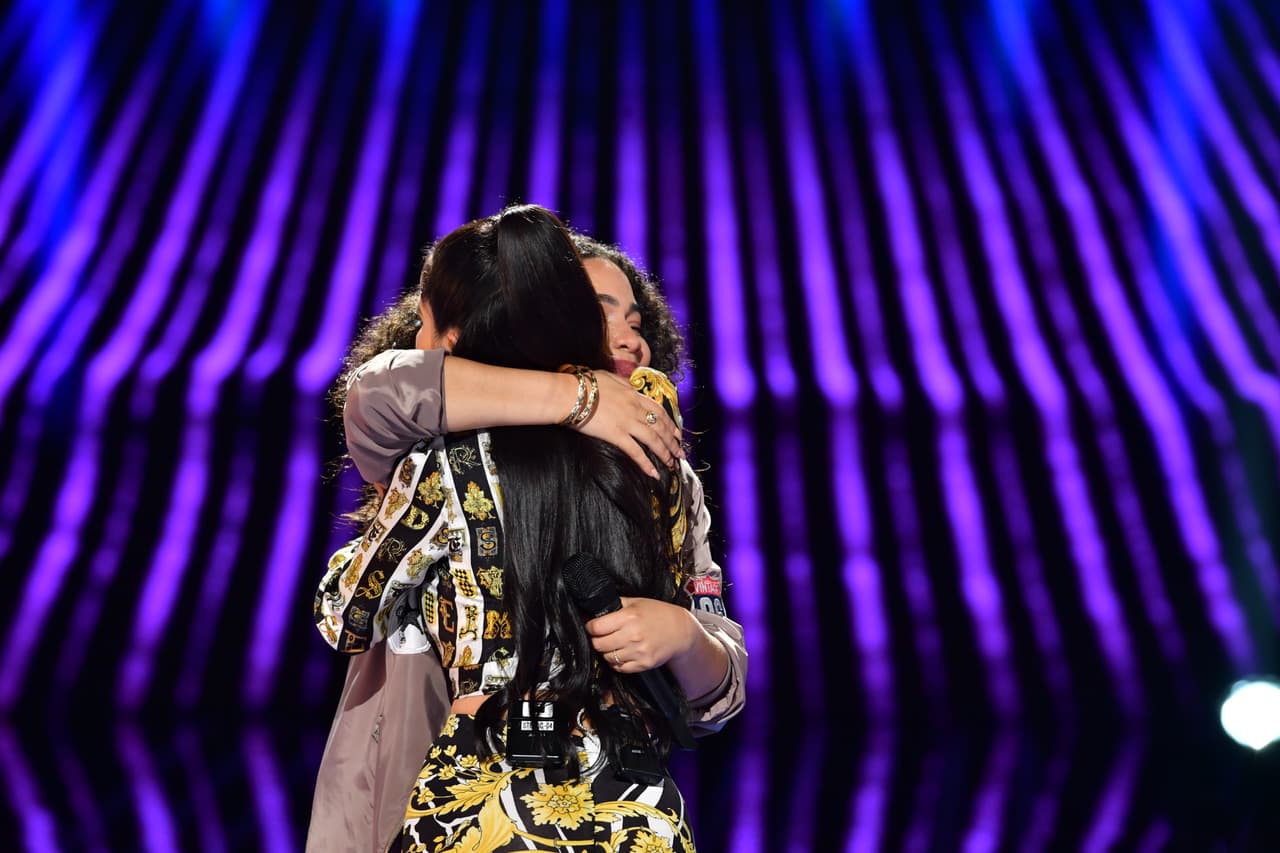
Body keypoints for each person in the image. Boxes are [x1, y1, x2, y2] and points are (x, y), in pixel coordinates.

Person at [312, 206, 744, 851]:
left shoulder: (446, 467)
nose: (632, 340)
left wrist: (683, 635)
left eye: (639, 321)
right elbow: (386, 389)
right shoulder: (661, 476)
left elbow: (344, 614)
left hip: (480, 799)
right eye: (601, 314)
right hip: (626, 811)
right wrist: (579, 400)